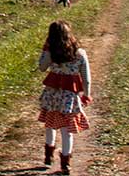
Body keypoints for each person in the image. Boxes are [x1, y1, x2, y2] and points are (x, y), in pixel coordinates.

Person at [37, 19, 92, 174]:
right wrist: (86, 95)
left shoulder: (51, 52)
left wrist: (44, 51)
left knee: (50, 124)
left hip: (52, 94)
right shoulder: (80, 53)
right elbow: (86, 78)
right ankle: (66, 163)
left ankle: (48, 156)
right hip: (69, 96)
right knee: (67, 129)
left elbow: (42, 67)